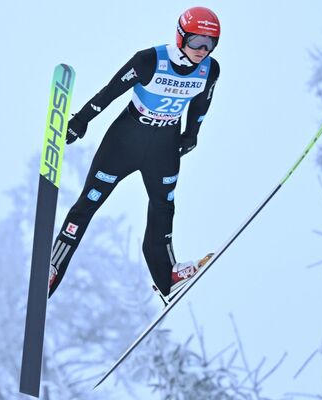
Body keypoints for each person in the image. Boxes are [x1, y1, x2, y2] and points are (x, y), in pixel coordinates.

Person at [47, 6, 221, 302]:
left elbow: (201, 105)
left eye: (210, 44)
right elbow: (109, 91)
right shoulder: (149, 60)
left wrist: (191, 135)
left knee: (164, 207)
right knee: (88, 202)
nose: (202, 50)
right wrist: (80, 120)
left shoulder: (210, 69)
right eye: (196, 42)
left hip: (165, 144)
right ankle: (52, 267)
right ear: (181, 38)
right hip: (126, 139)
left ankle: (168, 275)